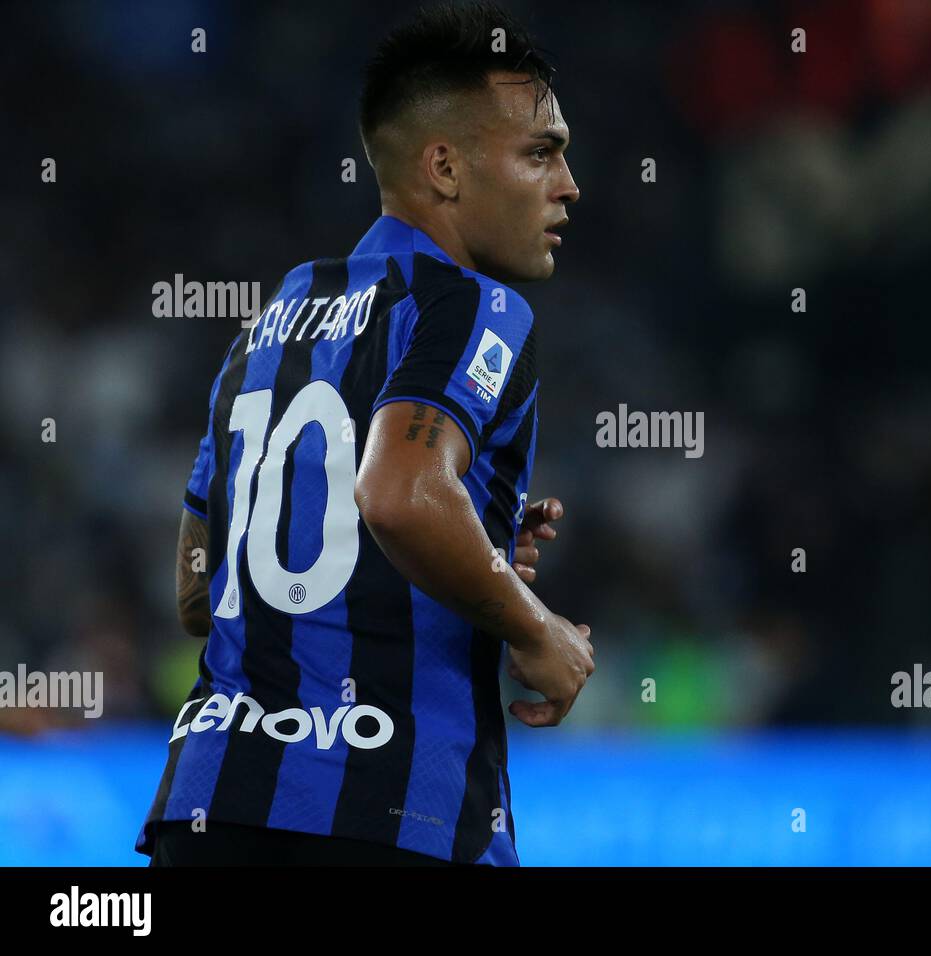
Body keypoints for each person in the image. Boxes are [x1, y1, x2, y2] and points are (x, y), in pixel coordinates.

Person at [138, 0, 591, 867]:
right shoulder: (474, 308)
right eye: (542, 152)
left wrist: (470, 556)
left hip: (206, 808)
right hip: (390, 817)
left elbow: (202, 595)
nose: (569, 183)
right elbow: (399, 496)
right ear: (446, 168)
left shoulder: (265, 326)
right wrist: (536, 628)